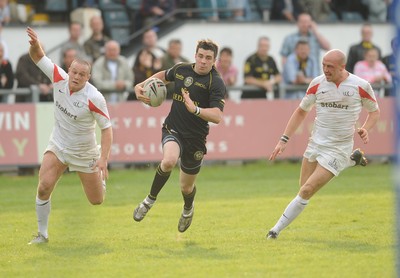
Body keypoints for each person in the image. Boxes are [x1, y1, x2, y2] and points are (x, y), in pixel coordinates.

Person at [266, 49, 380, 240]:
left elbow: (374, 112)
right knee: (303, 189)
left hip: (338, 147)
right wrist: (283, 140)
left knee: (306, 190)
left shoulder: (360, 86)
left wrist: (366, 128)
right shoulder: (317, 83)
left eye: (330, 67)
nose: (326, 70)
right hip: (316, 143)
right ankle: (352, 160)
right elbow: (301, 111)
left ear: (342, 67)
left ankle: (274, 231)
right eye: (324, 65)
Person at [26, 27, 113, 244]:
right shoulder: (59, 78)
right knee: (44, 186)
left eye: (82, 74)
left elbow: (107, 128)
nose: (76, 77)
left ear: (88, 77)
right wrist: (36, 44)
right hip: (59, 145)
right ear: (69, 69)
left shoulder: (95, 98)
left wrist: (103, 159)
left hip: (84, 152)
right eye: (74, 72)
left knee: (96, 201)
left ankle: (99, 182)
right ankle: (42, 235)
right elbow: (38, 56)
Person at [132, 39, 226, 233]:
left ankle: (188, 209)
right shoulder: (182, 69)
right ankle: (149, 200)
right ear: (195, 56)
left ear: (214, 61)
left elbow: (217, 116)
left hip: (196, 139)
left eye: (208, 58)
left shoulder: (215, 82)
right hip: (172, 129)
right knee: (168, 161)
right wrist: (140, 85)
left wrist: (195, 109)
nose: (203, 61)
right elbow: (162, 76)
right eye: (200, 56)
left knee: (186, 188)